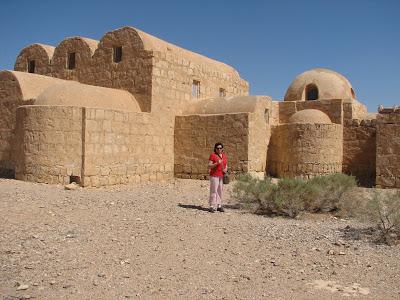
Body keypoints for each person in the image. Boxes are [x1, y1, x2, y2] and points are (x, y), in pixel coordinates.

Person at [208, 142, 228, 213]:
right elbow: (209, 165)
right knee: (213, 190)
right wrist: (217, 163)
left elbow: (226, 165)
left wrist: (226, 169)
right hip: (214, 175)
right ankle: (211, 206)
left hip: (221, 175)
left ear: (222, 149)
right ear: (215, 149)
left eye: (220, 148)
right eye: (217, 148)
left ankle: (219, 206)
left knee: (220, 191)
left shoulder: (224, 156)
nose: (219, 149)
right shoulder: (213, 155)